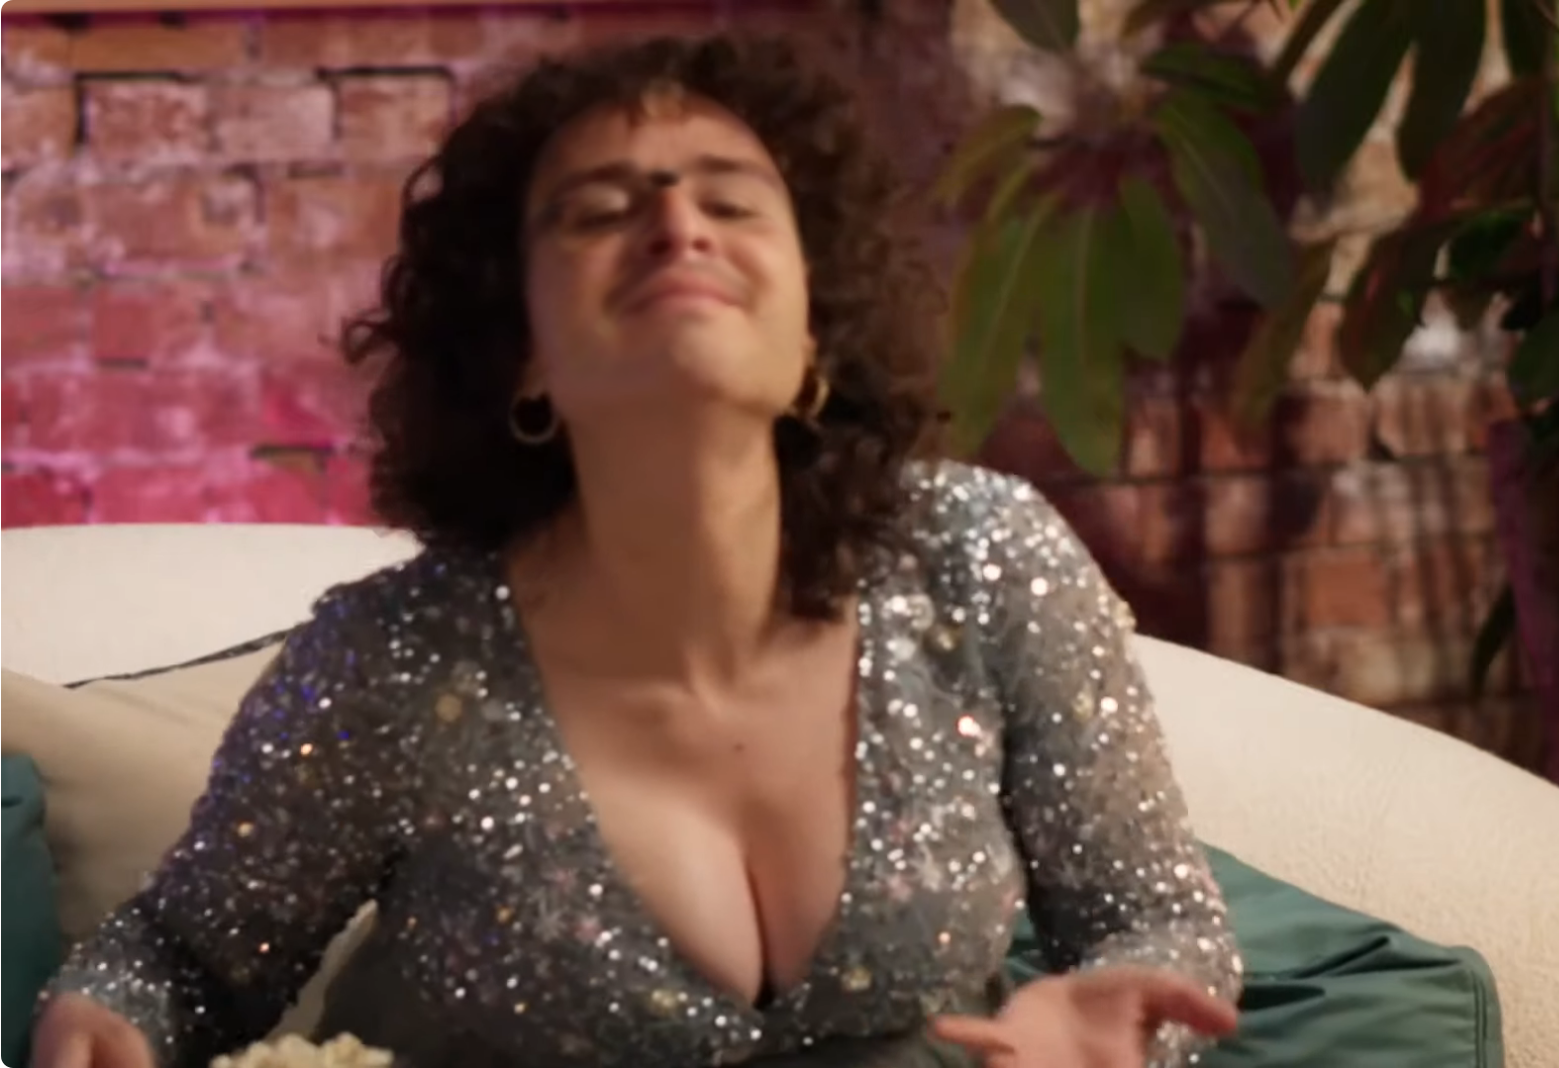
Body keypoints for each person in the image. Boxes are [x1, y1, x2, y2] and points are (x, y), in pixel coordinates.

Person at [32, 32, 1243, 1068]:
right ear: (521, 353)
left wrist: (1127, 1031)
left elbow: (1157, 925)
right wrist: (102, 1019)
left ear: (813, 334)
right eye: (601, 211)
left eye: (732, 200)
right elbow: (177, 963)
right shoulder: (389, 663)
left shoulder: (980, 556)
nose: (675, 225)